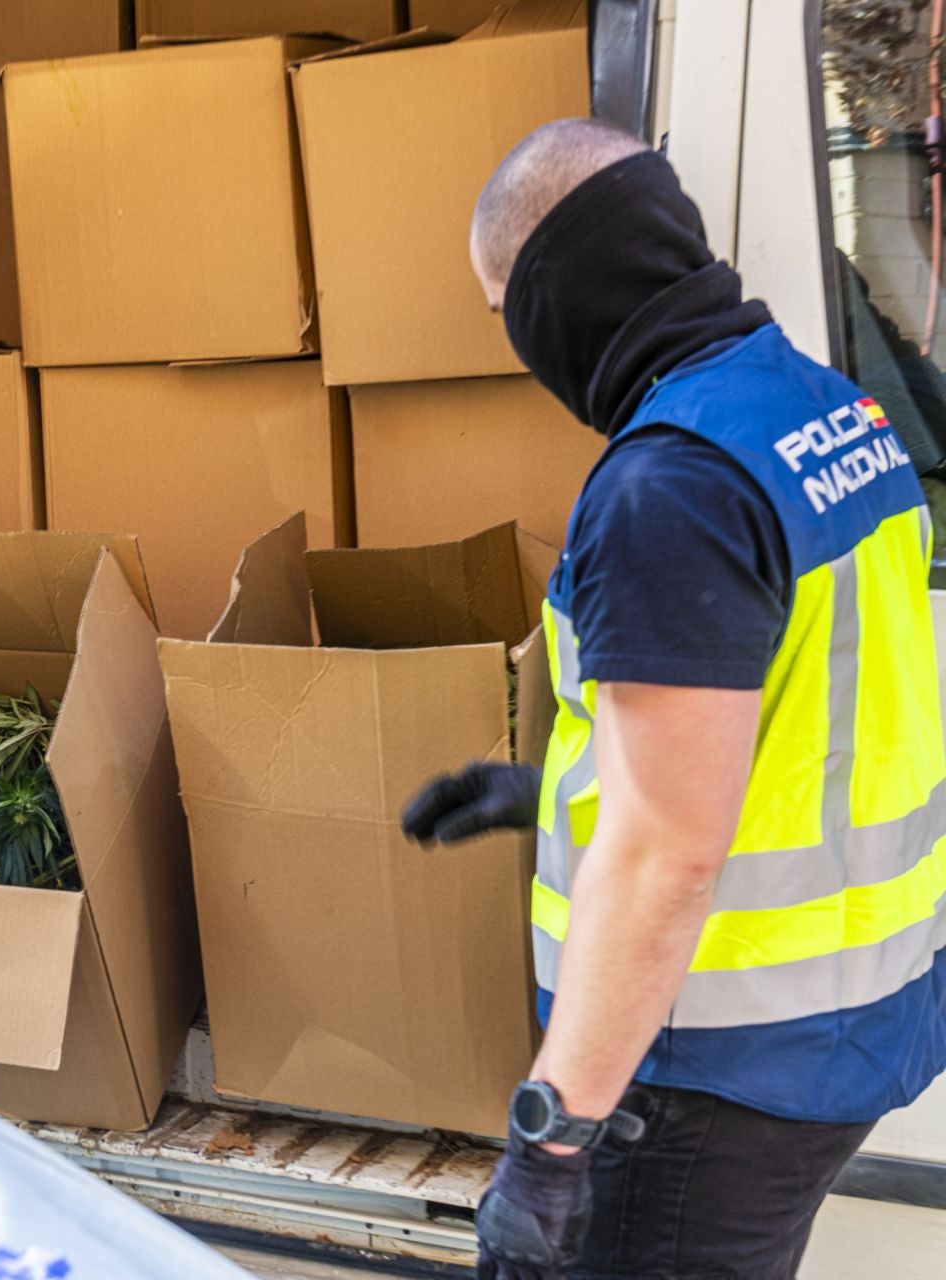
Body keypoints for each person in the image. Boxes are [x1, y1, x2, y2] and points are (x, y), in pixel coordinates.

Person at [402, 118, 946, 1279]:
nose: (516, 347)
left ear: (557, 289)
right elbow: (810, 707)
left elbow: (667, 861)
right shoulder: (826, 409)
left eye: (505, 310)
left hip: (706, 1070)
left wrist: (552, 1137)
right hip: (838, 1028)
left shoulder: (670, 487)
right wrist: (554, 789)